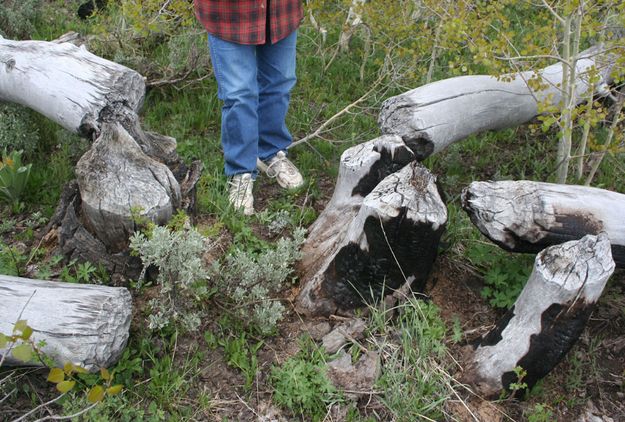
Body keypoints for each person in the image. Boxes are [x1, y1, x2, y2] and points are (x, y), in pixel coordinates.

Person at [194, 0, 305, 215]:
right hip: (228, 13)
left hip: (281, 10)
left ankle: (271, 152)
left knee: (280, 84)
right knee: (239, 94)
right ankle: (241, 170)